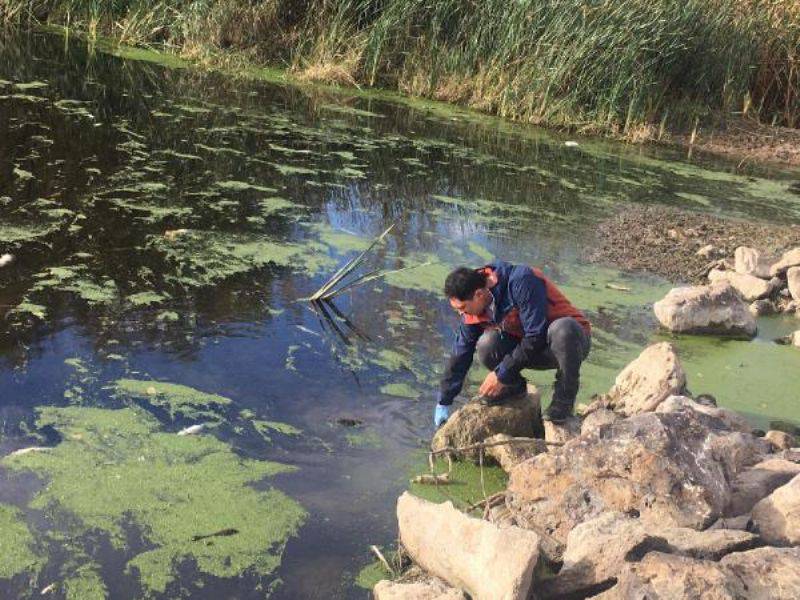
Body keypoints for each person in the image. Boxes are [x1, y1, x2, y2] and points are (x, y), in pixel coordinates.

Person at [433, 260, 591, 428]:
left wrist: (501, 373)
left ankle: (563, 402)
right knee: (487, 345)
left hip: (568, 344)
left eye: (463, 307)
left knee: (563, 328)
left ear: (479, 294)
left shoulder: (521, 281)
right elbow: (461, 351)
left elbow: (536, 335)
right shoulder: (474, 306)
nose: (461, 313)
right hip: (530, 346)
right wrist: (444, 400)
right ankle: (512, 387)